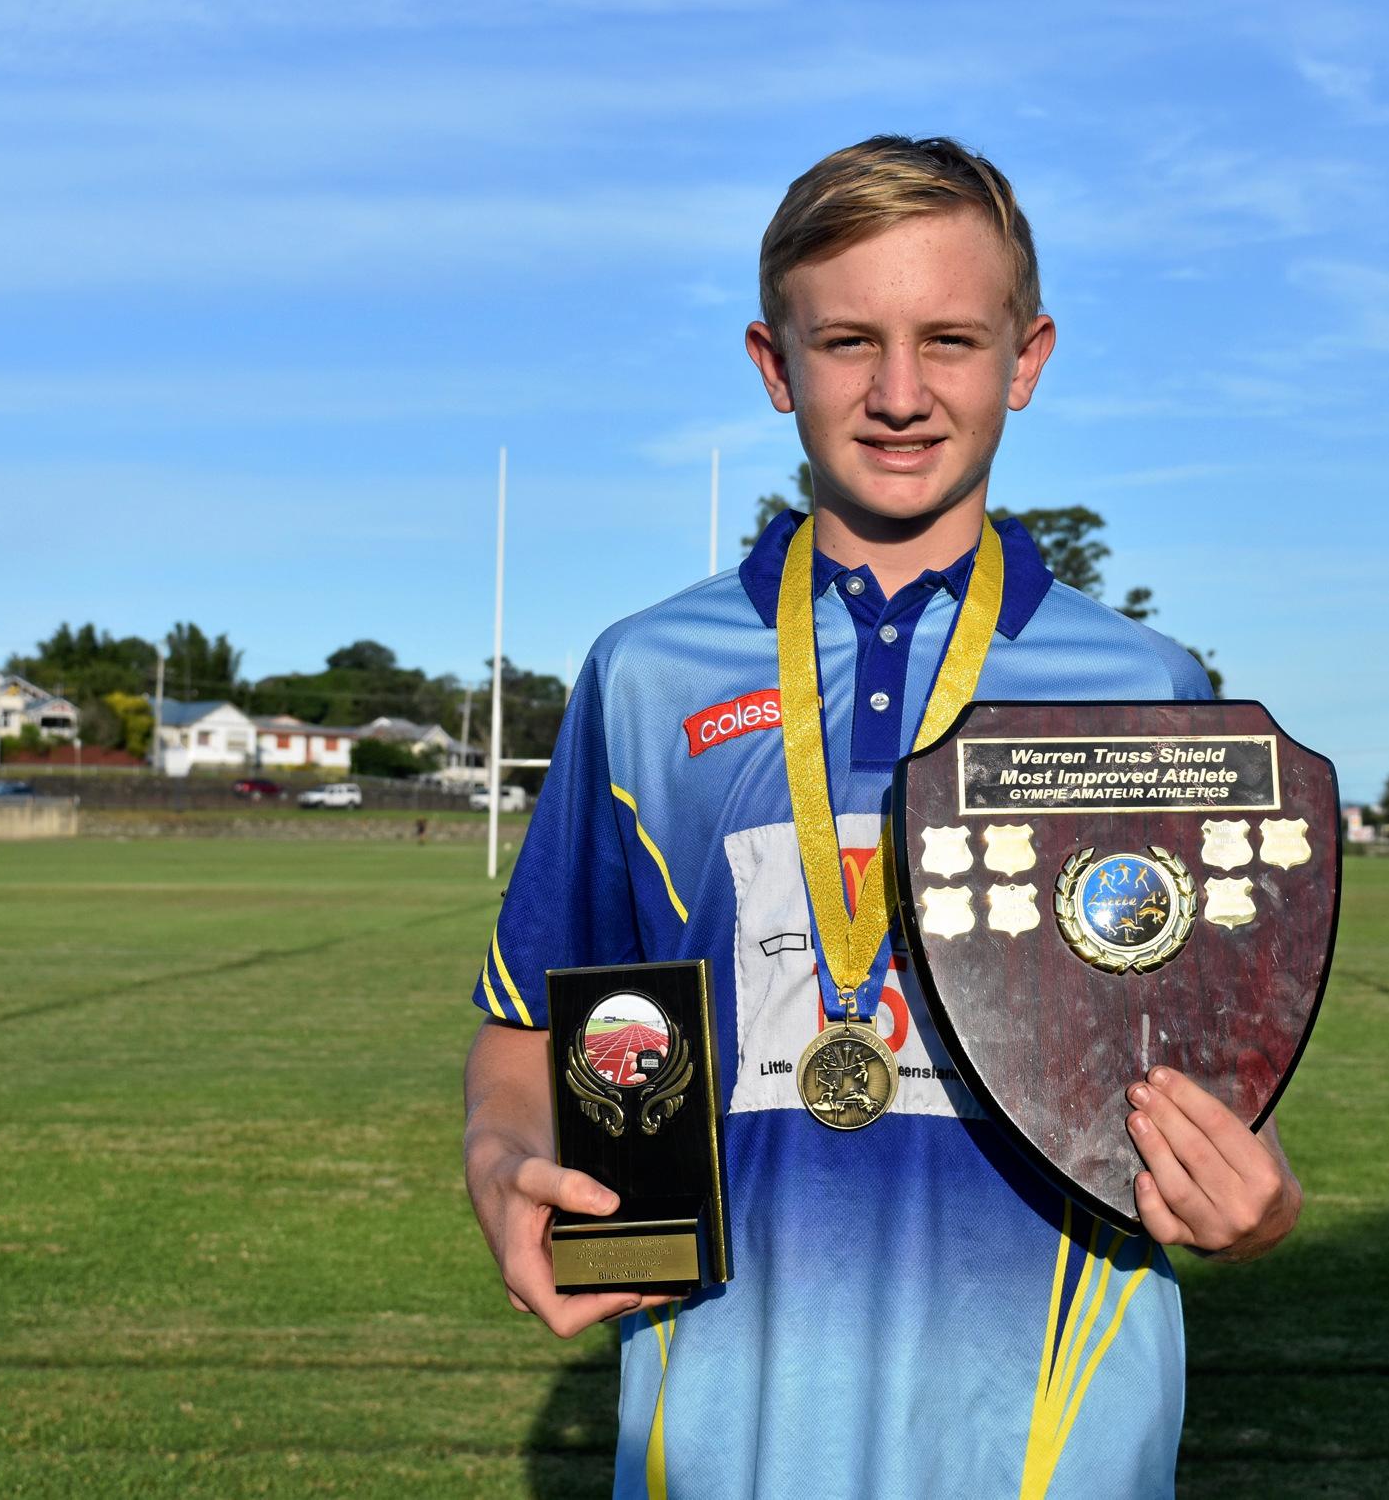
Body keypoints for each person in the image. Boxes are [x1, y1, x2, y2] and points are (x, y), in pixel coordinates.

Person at [460, 136, 1301, 1500]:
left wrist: (1255, 1197)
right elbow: (531, 1032)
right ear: (772, 363)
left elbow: (1201, 1085)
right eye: (847, 340)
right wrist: (506, 1160)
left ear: (1024, 360)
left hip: (1049, 1442)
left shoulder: (1141, 688)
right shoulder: (646, 674)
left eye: (950, 339)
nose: (899, 392)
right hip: (722, 1436)